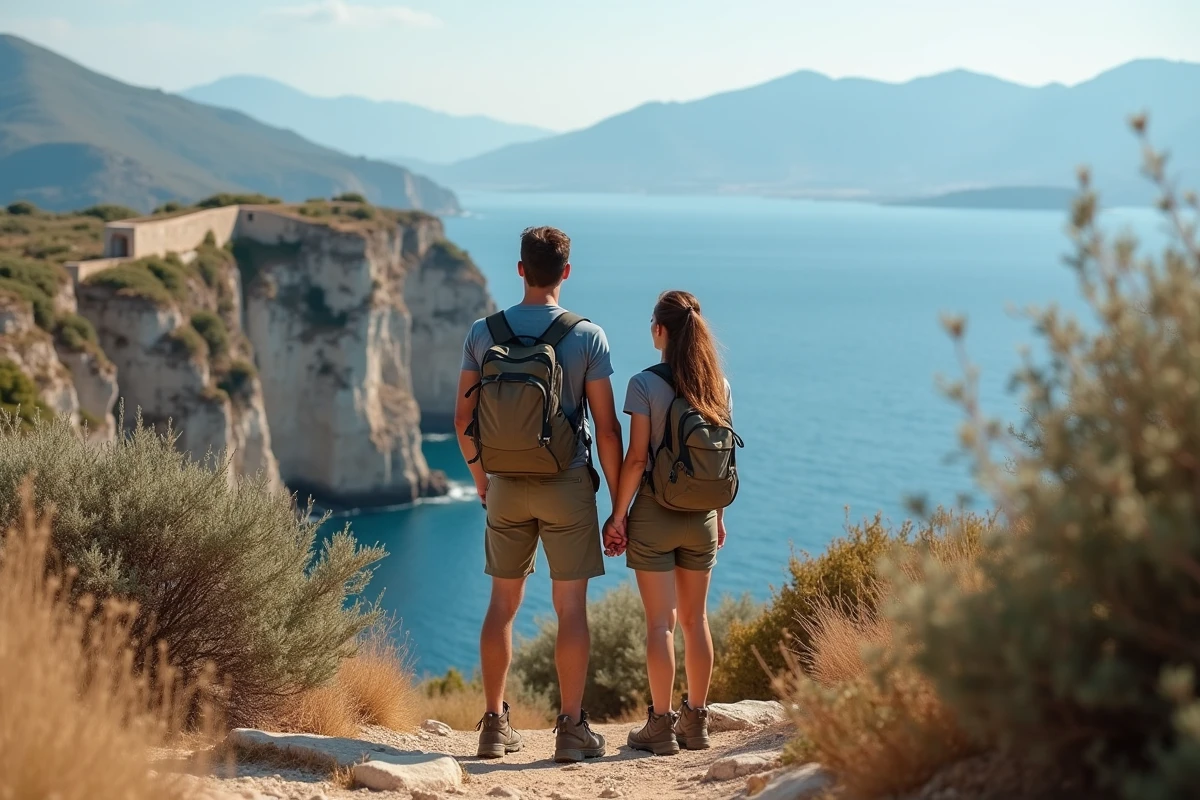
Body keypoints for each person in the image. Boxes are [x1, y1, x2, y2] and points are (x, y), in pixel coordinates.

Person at [454, 226, 624, 764]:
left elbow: (463, 419)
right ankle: (571, 728)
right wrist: (620, 507)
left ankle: (491, 725)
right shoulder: (588, 336)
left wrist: (483, 480)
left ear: (521, 268)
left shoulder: (484, 332)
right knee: (569, 606)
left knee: (501, 605)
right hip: (567, 484)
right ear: (566, 272)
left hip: (504, 485)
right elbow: (608, 428)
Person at [604, 290, 734, 756]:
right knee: (696, 621)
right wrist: (718, 518)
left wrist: (617, 517)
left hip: (655, 516)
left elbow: (637, 458)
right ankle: (696, 723)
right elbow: (722, 459)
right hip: (701, 517)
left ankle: (660, 726)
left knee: (660, 622)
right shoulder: (717, 384)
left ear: (659, 330)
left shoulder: (643, 384)